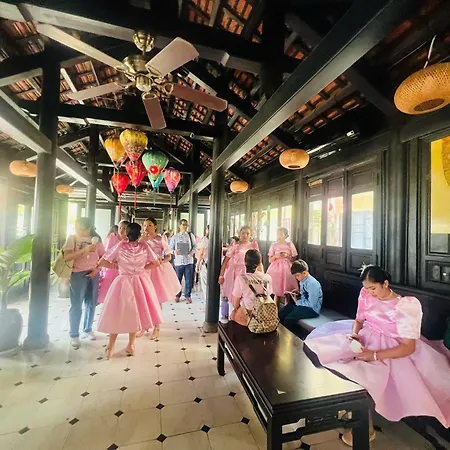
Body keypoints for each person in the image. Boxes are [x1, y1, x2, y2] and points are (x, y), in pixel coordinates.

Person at [305, 265, 450, 445]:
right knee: (328, 356)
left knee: (365, 377)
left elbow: (408, 347)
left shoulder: (405, 306)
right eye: (366, 288)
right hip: (367, 337)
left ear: (385, 284)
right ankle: (348, 411)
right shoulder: (366, 295)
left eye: (373, 288)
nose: (369, 292)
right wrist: (354, 334)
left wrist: (374, 355)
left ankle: (364, 428)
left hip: (395, 350)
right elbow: (359, 320)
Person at [96, 223, 162, 358]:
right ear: (139, 234)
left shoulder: (120, 246)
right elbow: (156, 263)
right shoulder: (144, 246)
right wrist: (142, 268)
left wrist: (116, 267)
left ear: (127, 233)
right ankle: (131, 345)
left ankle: (110, 347)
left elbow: (102, 262)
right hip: (140, 282)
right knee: (135, 313)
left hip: (123, 282)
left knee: (116, 313)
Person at [63, 217, 105, 348]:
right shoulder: (72, 239)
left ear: (88, 228)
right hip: (77, 273)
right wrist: (84, 250)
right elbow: (67, 256)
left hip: (93, 273)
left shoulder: (97, 240)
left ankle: (88, 329)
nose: (78, 230)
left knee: (91, 303)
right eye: (76, 228)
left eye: (81, 228)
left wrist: (97, 269)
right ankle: (74, 334)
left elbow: (103, 256)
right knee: (76, 304)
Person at [141, 217, 181, 309]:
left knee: (157, 295)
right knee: (145, 295)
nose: (146, 227)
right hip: (144, 267)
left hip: (157, 269)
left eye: (149, 225)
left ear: (155, 227)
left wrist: (161, 261)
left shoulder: (160, 239)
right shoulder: (141, 238)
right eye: (145, 225)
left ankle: (157, 315)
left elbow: (168, 256)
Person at [230, 249, 273, 327]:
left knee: (233, 315)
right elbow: (269, 295)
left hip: (249, 316)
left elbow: (235, 304)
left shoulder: (241, 278)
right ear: (260, 263)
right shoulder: (268, 278)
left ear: (245, 262)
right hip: (266, 315)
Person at [219, 226, 260, 301]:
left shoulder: (253, 245)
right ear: (239, 234)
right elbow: (225, 261)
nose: (245, 235)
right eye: (243, 233)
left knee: (247, 296)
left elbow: (259, 262)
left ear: (251, 235)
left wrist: (261, 275)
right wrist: (221, 275)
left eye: (247, 233)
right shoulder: (235, 245)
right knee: (235, 295)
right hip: (234, 273)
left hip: (249, 272)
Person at [278, 260, 322, 327]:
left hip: (312, 310)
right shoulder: (303, 280)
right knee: (281, 314)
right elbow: (304, 294)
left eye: (297, 275)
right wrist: (297, 292)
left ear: (304, 273)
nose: (296, 278)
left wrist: (297, 301)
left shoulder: (312, 284)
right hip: (302, 305)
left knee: (289, 319)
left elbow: (312, 304)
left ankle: (292, 333)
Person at [96, 220, 129, 304]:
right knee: (110, 290)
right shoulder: (112, 238)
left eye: (124, 228)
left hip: (124, 269)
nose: (121, 230)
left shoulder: (129, 241)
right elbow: (107, 253)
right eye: (120, 228)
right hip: (112, 267)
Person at [267, 227, 298, 305]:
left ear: (285, 235)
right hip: (276, 269)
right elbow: (270, 260)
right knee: (276, 291)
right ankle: (275, 308)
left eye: (281, 234)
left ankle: (287, 307)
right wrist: (276, 256)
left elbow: (294, 258)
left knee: (287, 291)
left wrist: (287, 256)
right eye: (278, 234)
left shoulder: (289, 244)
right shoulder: (274, 245)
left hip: (287, 268)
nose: (279, 236)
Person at [169, 219, 197, 304]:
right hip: (178, 261)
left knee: (188, 280)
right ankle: (177, 295)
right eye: (183, 224)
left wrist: (192, 252)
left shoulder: (190, 235)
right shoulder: (175, 237)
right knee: (178, 279)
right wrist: (174, 251)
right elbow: (169, 248)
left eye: (186, 225)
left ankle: (188, 296)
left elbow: (195, 246)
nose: (185, 226)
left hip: (189, 261)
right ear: (179, 225)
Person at [196, 225, 209, 301]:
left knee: (205, 284)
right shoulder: (218, 239)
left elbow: (201, 253)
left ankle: (207, 303)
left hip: (206, 263)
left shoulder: (205, 239)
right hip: (215, 264)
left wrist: (197, 264)